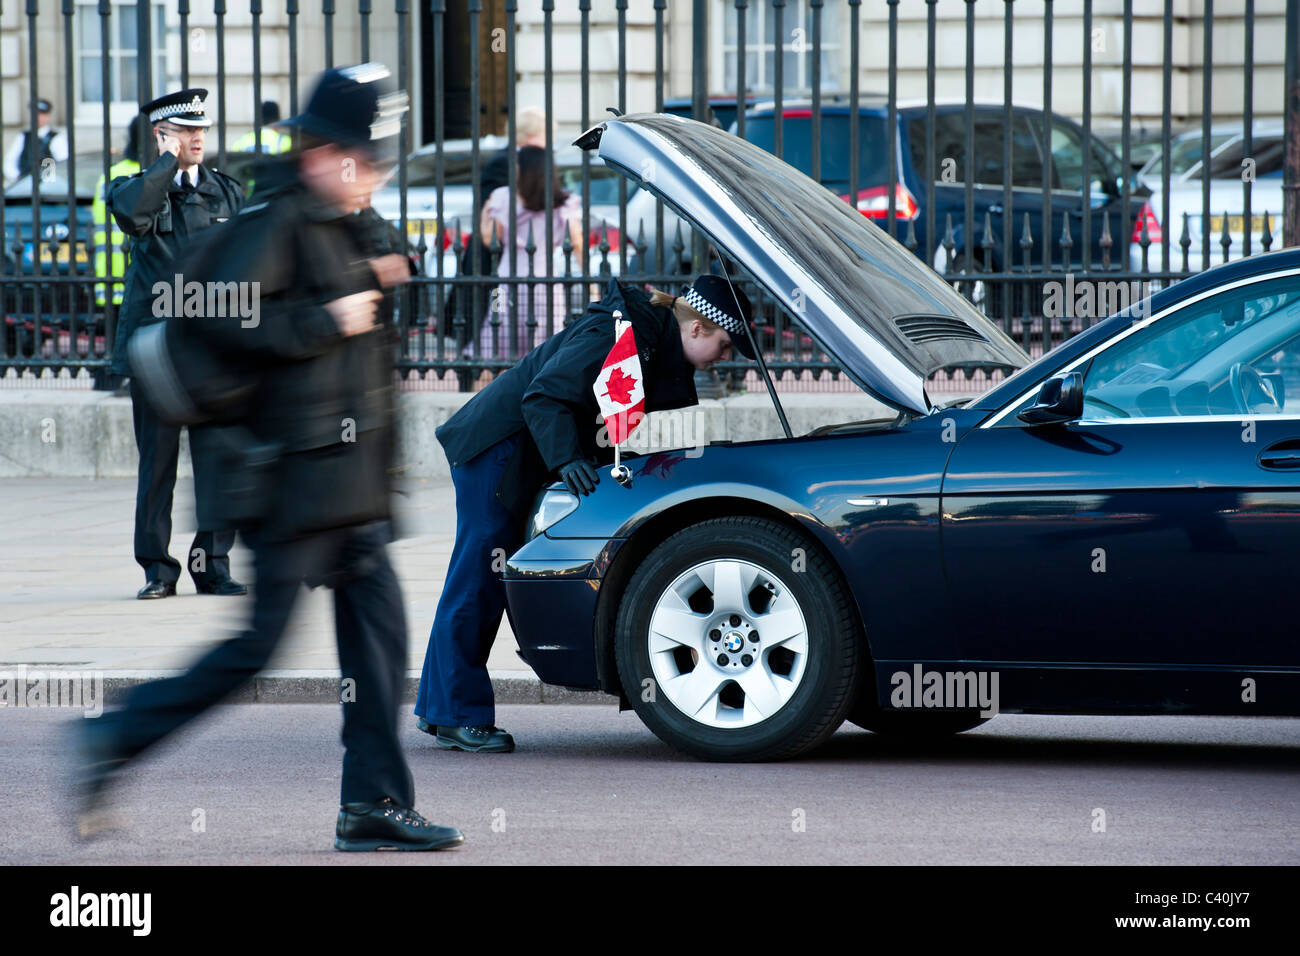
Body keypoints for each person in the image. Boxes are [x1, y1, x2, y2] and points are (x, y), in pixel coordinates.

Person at [74, 64, 464, 853]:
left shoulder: (342, 217)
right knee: (255, 649)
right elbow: (207, 317)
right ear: (324, 153)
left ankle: (374, 803)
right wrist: (324, 320)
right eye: (368, 160)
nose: (377, 175)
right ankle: (110, 739)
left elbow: (385, 291)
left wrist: (386, 270)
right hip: (291, 484)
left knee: (380, 641)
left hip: (347, 487)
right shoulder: (273, 218)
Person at [416, 274, 756, 752]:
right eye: (724, 345)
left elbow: (591, 406)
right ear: (697, 328)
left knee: (475, 577)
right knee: (479, 580)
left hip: (509, 450)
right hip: (497, 452)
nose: (725, 358)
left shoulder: (646, 336)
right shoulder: (621, 333)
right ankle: (456, 714)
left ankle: (440, 709)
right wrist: (567, 461)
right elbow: (545, 395)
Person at [107, 89, 247, 600]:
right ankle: (158, 571)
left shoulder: (227, 192)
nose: (197, 139)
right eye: (186, 131)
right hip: (156, 353)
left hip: (211, 350)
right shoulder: (137, 188)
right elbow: (132, 215)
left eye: (201, 130)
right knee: (158, 465)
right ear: (162, 135)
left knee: (218, 461)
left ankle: (212, 566)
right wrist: (165, 162)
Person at [476, 144, 584, 360]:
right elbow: (577, 243)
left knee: (496, 347)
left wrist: (484, 214)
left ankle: (497, 392)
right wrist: (591, 285)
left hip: (506, 283)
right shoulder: (563, 202)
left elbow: (490, 240)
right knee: (546, 352)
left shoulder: (503, 197)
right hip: (547, 286)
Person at [3, 97, 68, 184]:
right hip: (24, 183)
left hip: (47, 185)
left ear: (48, 116)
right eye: (36, 114)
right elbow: (9, 161)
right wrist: (17, 177)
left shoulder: (56, 138)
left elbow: (63, 162)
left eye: (42, 114)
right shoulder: (23, 136)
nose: (39, 117)